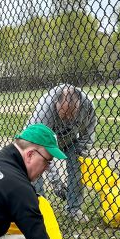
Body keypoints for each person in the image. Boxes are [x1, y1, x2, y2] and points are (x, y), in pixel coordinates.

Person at [27, 84, 97, 222]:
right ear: (55, 105)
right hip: (38, 143)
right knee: (34, 166)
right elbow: (40, 148)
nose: (68, 120)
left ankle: (74, 209)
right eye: (64, 115)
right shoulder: (44, 111)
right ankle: (39, 209)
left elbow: (88, 132)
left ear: (79, 106)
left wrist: (81, 152)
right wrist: (56, 182)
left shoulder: (87, 105)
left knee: (78, 163)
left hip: (70, 139)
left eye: (72, 115)